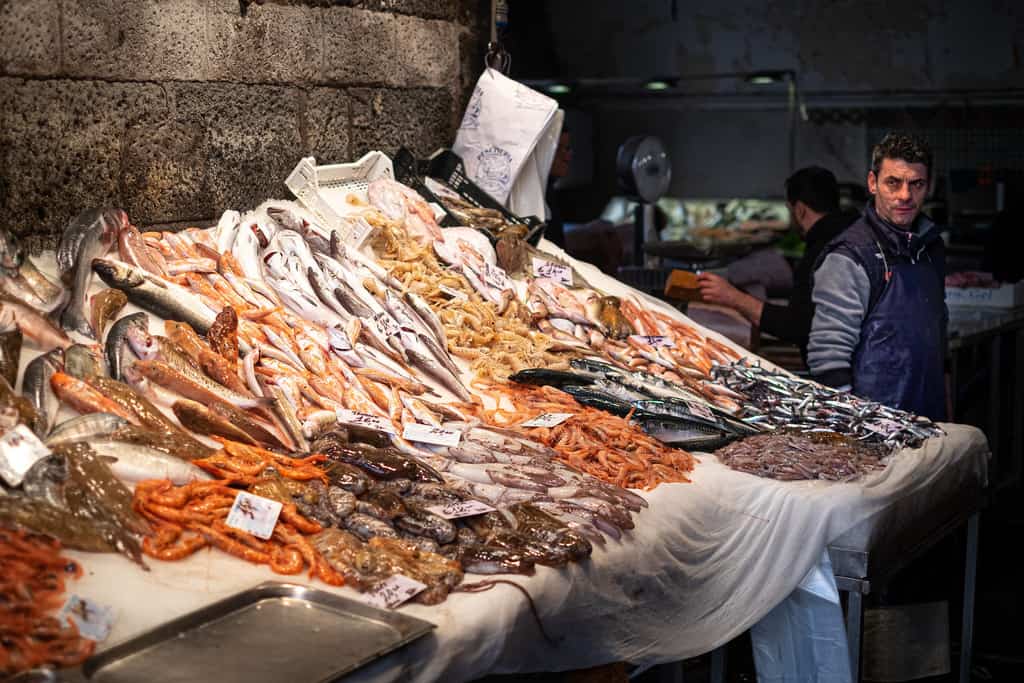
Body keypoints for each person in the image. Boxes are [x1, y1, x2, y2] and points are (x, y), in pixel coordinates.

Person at [807, 132, 947, 420]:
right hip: (873, 427)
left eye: (916, 184)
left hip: (928, 417)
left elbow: (936, 337)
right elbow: (828, 360)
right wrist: (851, 429)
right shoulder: (849, 256)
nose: (905, 195)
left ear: (928, 187)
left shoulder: (930, 247)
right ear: (873, 183)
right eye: (893, 183)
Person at [696, 167, 858, 363]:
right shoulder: (853, 236)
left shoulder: (824, 251)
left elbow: (797, 326)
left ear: (800, 210)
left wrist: (733, 297)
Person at [544, 128, 573, 248]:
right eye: (557, 149)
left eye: (567, 148)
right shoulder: (539, 195)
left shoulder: (550, 190)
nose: (566, 157)